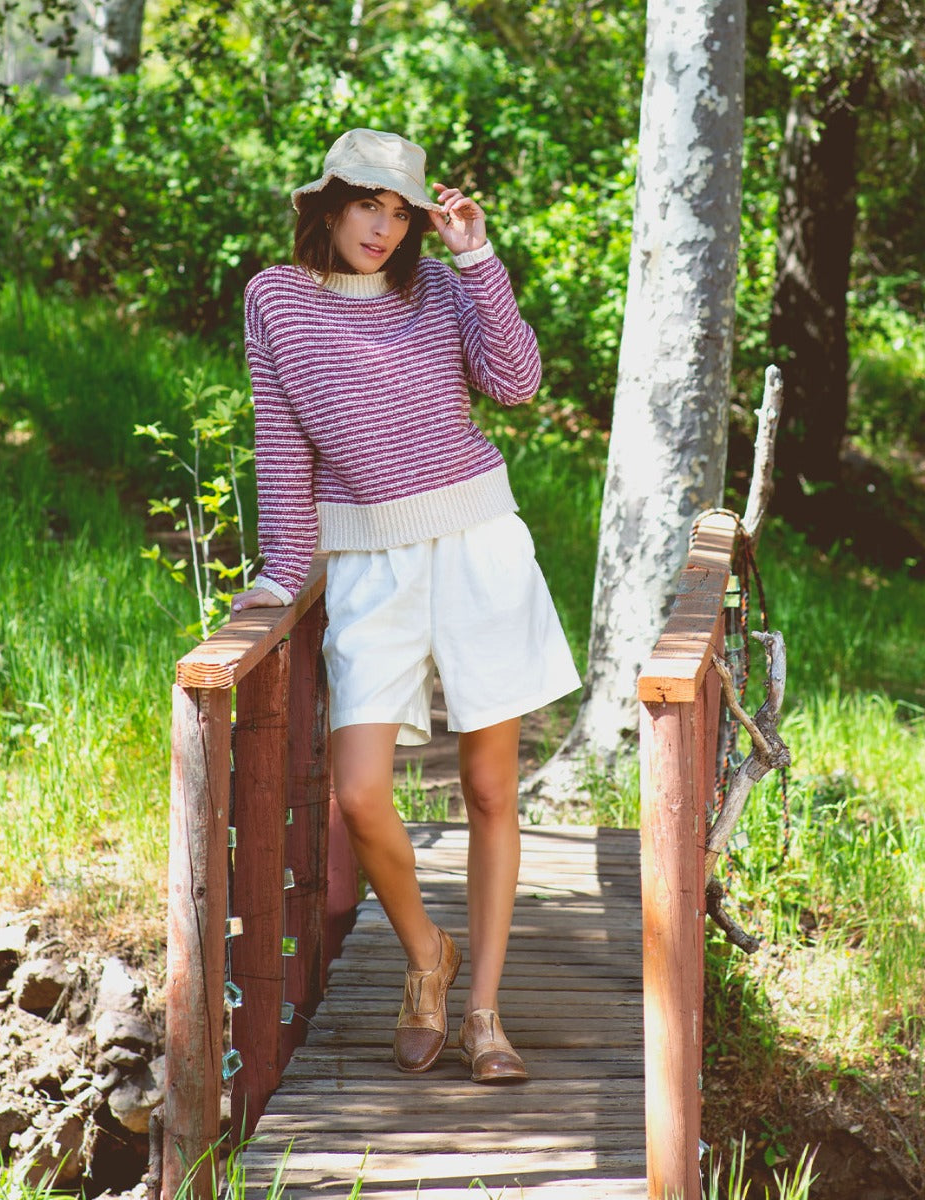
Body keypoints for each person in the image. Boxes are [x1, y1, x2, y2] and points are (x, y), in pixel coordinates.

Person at [232, 128, 580, 1084]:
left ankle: (482, 1014)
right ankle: (429, 954)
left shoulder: (437, 290)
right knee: (357, 793)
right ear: (329, 204)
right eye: (366, 205)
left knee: (489, 789)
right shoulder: (277, 299)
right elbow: (282, 440)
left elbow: (516, 381)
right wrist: (279, 570)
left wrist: (475, 255)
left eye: (399, 211)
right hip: (369, 564)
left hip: (477, 542)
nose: (382, 228)